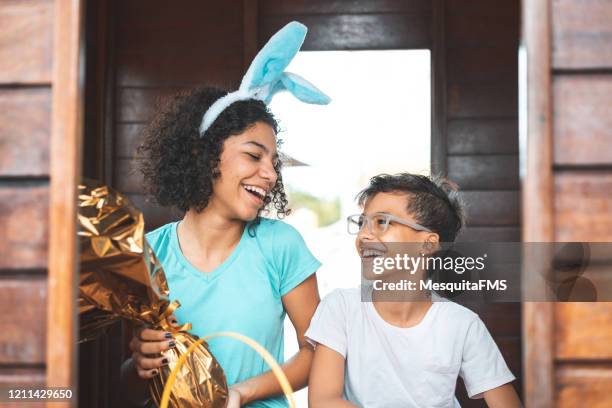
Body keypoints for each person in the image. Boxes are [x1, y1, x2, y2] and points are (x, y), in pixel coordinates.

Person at [120, 22, 330, 408]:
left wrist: (240, 393)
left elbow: (317, 353)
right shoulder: (150, 252)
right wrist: (139, 355)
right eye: (253, 155)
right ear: (203, 155)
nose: (269, 173)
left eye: (273, 161)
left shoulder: (280, 246)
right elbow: (137, 363)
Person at [306, 173, 522, 408]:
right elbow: (323, 401)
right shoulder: (340, 308)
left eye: (382, 222)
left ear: (427, 244)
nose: (363, 235)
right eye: (361, 223)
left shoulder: (463, 324)